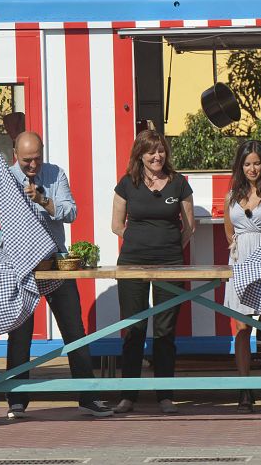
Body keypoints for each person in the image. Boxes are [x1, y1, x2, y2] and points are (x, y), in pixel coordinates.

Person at [0, 131, 113, 419]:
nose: (32, 165)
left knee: (74, 331)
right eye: (27, 160)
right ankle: (16, 400)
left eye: (37, 159)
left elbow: (71, 212)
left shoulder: (55, 174)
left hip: (55, 262)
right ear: (15, 155)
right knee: (20, 332)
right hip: (21, 264)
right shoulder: (7, 174)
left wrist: (43, 200)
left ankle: (89, 397)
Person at [111, 129, 195, 414]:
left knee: (165, 331)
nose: (157, 156)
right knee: (133, 329)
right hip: (132, 263)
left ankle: (165, 396)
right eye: (150, 152)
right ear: (140, 155)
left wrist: (168, 248)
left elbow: (189, 227)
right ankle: (128, 396)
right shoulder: (127, 183)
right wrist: (139, 241)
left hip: (170, 264)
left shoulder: (179, 183)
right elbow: (116, 225)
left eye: (160, 150)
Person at [223, 140, 261, 412]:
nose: (252, 168)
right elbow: (229, 233)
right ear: (240, 166)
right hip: (241, 263)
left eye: (257, 163)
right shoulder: (231, 196)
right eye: (247, 163)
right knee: (241, 327)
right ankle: (244, 389)